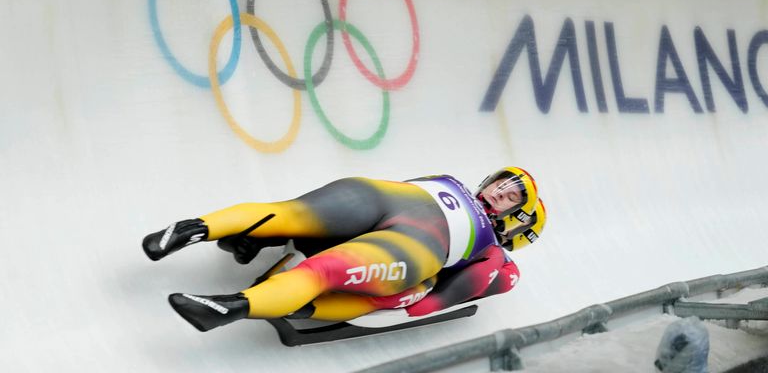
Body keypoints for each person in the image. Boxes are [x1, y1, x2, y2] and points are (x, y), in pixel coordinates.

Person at [141, 167, 546, 332]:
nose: (499, 192)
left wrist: (411, 300)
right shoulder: (489, 247)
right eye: (502, 184)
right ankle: (235, 304)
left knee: (289, 214)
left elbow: (446, 295)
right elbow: (436, 300)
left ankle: (199, 230)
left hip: (383, 207)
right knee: (319, 261)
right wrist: (405, 302)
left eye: (511, 196)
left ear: (517, 216)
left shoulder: (487, 242)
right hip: (407, 234)